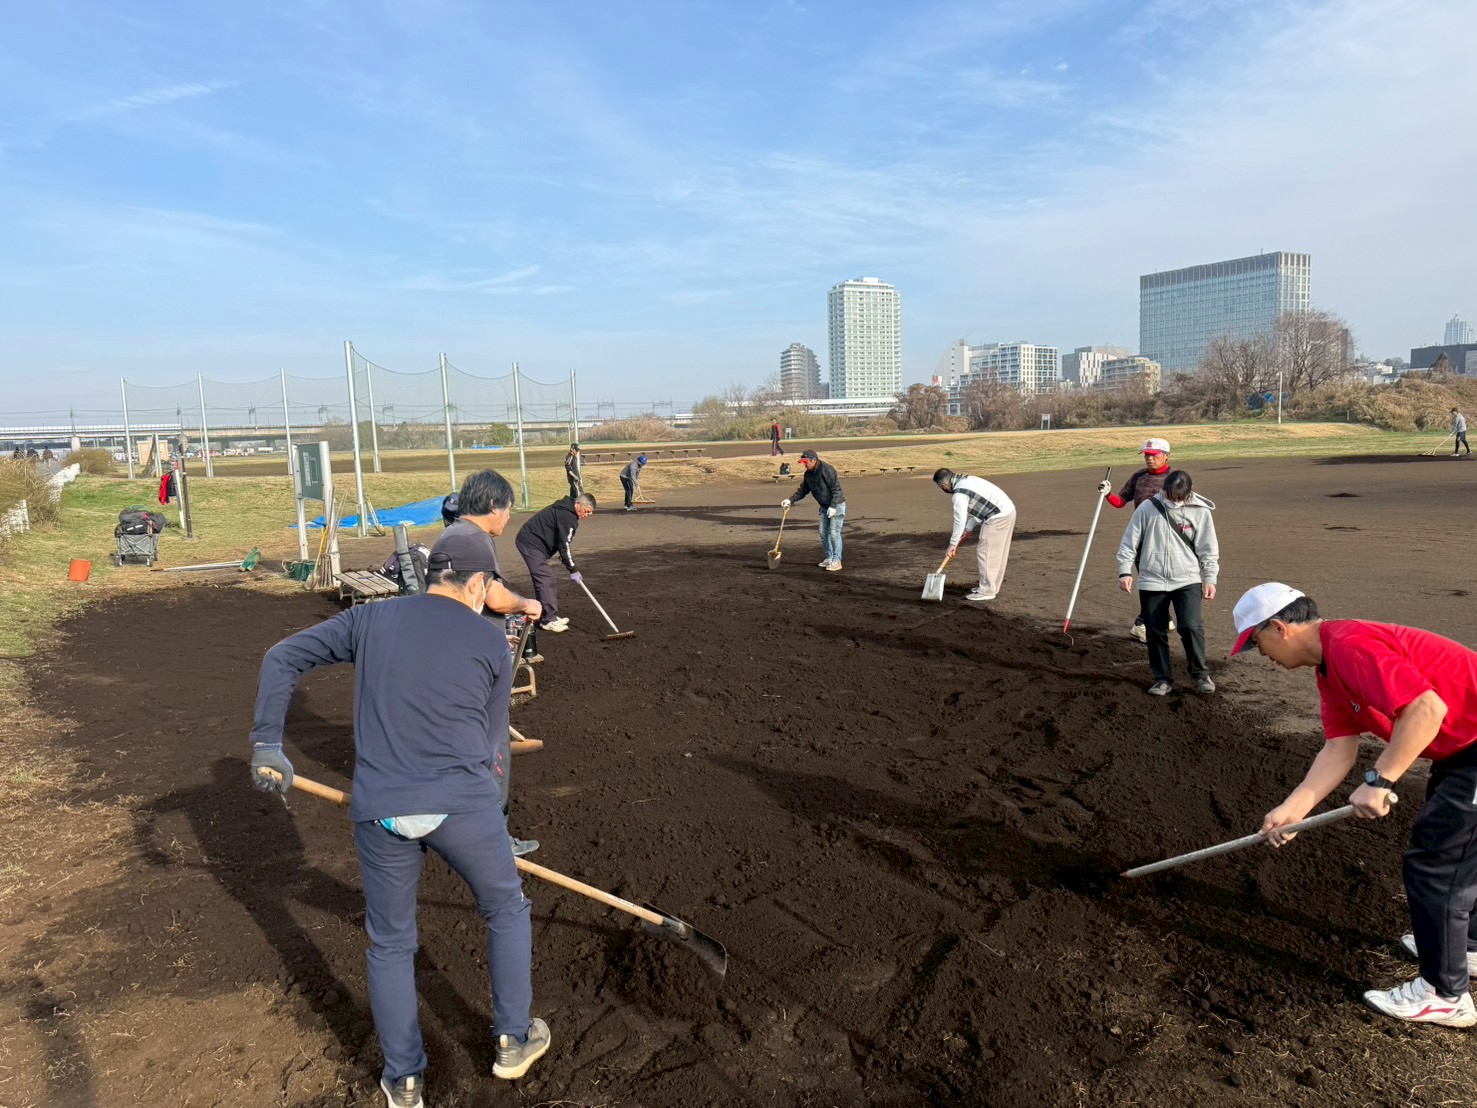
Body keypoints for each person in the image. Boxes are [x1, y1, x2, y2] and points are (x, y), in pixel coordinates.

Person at [247, 544, 553, 1105]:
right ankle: (512, 1038)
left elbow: (281, 657)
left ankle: (404, 1079)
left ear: (433, 576)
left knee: (390, 943)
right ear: (477, 583)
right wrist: (484, 813)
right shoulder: (489, 638)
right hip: (463, 805)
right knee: (506, 908)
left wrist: (268, 742)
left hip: (382, 806)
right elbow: (489, 746)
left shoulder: (370, 618)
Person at [1236, 583, 1477, 1028]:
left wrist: (1380, 779)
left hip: (1471, 748)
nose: (1260, 653)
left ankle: (1445, 995)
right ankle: (1467, 946)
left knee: (1436, 864)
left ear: (1278, 627)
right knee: (1461, 851)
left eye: (1256, 641)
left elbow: (1426, 708)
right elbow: (1337, 750)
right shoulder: (1329, 670)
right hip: (1461, 751)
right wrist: (1295, 808)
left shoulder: (1349, 645)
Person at [1115, 469, 1218, 696]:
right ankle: (1162, 679)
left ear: (1188, 493)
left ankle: (1201, 674)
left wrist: (1210, 578)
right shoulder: (1147, 508)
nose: (1175, 501)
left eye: (1180, 497)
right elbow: (1128, 543)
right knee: (1155, 631)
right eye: (1171, 496)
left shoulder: (1200, 512)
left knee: (1191, 626)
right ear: (1164, 490)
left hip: (1187, 579)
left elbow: (1208, 549)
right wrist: (1125, 572)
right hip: (1152, 581)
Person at [1100, 438, 1176, 642]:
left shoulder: (1175, 478)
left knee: (1161, 580)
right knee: (1152, 581)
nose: (1149, 459)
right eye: (1146, 455)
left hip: (1168, 538)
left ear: (1166, 455)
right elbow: (1120, 502)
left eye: (1154, 455)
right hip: (1142, 538)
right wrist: (1108, 494)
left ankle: (1150, 620)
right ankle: (1153, 620)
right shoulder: (1139, 477)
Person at [515, 493, 595, 634]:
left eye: (590, 513)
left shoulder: (567, 510)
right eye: (586, 511)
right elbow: (564, 546)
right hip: (530, 543)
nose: (587, 515)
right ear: (578, 505)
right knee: (545, 578)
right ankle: (548, 620)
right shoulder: (568, 517)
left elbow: (561, 543)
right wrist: (573, 569)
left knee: (544, 578)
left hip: (535, 543)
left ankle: (546, 615)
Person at [932, 468, 1016, 601]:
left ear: (943, 485)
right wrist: (968, 528)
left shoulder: (959, 493)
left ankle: (987, 591)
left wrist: (953, 544)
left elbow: (959, 519)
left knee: (986, 552)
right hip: (1006, 511)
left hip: (998, 516)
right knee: (996, 553)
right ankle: (990, 587)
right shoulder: (967, 480)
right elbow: (980, 508)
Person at [781, 449, 845, 572]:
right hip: (824, 506)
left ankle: (837, 560)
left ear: (814, 460)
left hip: (836, 505)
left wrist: (833, 506)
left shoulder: (827, 470)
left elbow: (836, 490)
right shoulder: (808, 474)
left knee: (834, 533)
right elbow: (803, 490)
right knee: (823, 532)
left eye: (806, 462)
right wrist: (790, 500)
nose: (804, 465)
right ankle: (830, 557)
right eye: (803, 463)